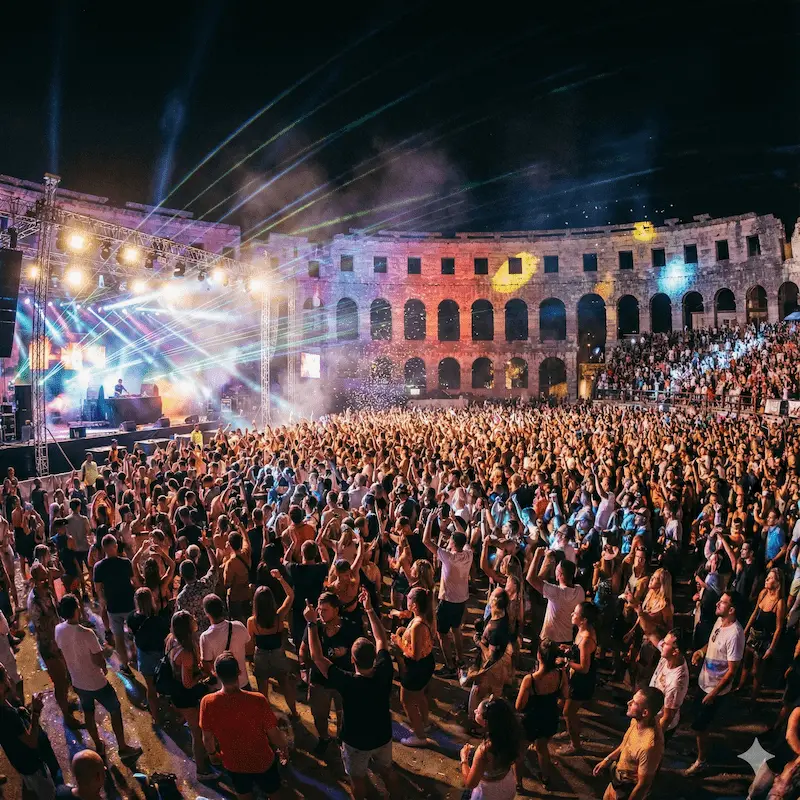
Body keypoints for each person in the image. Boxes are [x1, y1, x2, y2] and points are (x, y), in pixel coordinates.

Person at [304, 588, 395, 800]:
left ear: (352, 660)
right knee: (387, 771)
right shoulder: (384, 669)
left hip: (356, 742)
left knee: (357, 779)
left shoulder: (347, 682)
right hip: (383, 735)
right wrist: (370, 610)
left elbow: (317, 658)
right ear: (375, 657)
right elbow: (381, 639)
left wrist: (310, 624)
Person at [54, 594, 142, 761]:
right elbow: (98, 660)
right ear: (76, 610)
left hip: (78, 681)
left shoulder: (58, 629)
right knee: (114, 709)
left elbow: (61, 653)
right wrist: (105, 657)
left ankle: (98, 744)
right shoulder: (87, 633)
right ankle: (123, 747)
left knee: (88, 711)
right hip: (96, 682)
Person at [199, 651, 287, 800]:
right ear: (239, 672)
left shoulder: (207, 703)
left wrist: (213, 755)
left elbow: (207, 738)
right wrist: (283, 747)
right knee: (274, 793)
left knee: (244, 795)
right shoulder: (258, 700)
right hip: (262, 761)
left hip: (233, 763)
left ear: (216, 674)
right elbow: (273, 732)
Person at [686, 590, 746, 775]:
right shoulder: (719, 622)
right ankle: (700, 748)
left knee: (700, 724)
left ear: (732, 609)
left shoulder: (735, 634)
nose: (717, 604)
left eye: (723, 602)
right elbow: (711, 644)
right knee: (697, 722)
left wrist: (714, 693)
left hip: (715, 690)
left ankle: (702, 761)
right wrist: (700, 652)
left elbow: (732, 670)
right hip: (704, 682)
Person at [299, 590, 360, 756]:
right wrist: (303, 670)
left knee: (344, 713)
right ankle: (324, 738)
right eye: (319, 609)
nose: (320, 613)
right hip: (319, 681)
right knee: (319, 714)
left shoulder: (350, 627)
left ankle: (342, 738)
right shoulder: (314, 626)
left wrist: (347, 653)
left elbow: (361, 651)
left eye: (325, 610)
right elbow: (303, 649)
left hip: (343, 680)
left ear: (336, 610)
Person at [165, 610, 217, 782]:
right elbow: (187, 683)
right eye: (192, 619)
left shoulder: (171, 639)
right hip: (184, 696)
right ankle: (202, 770)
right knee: (197, 732)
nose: (195, 619)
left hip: (177, 691)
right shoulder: (186, 653)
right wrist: (202, 675)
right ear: (188, 627)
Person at [592, 687, 665, 800]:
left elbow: (643, 784)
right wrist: (607, 760)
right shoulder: (637, 720)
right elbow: (626, 744)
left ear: (645, 713)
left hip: (627, 790)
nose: (628, 703)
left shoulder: (649, 747)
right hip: (617, 780)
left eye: (634, 703)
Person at [0, 663, 60, 800]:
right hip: (32, 764)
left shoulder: (5, 704)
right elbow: (32, 742)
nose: (9, 678)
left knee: (30, 786)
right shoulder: (8, 715)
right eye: (5, 675)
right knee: (48, 793)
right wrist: (36, 712)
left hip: (18, 761)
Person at [516, 639, 568, 789]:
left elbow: (519, 706)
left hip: (530, 720)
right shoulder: (561, 674)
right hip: (550, 718)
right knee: (542, 748)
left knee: (520, 751)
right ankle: (545, 778)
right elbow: (564, 697)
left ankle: (518, 784)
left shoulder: (530, 680)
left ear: (539, 655)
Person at [423, 517, 471, 677]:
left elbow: (426, 541)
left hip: (447, 601)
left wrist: (429, 520)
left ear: (453, 543)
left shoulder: (448, 557)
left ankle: (449, 666)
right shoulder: (469, 554)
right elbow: (464, 536)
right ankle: (460, 659)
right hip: (461, 600)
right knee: (456, 629)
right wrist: (455, 521)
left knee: (442, 633)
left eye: (450, 539)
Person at [392, 586, 435, 747]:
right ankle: (424, 723)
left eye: (409, 598)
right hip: (426, 663)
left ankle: (420, 736)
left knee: (406, 701)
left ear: (415, 605)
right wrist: (404, 631)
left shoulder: (418, 625)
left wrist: (398, 641)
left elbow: (414, 654)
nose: (406, 599)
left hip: (417, 668)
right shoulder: (425, 617)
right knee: (420, 695)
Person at [247, 580, 298, 717]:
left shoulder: (252, 621)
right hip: (278, 654)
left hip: (261, 655)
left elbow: (250, 644)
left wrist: (250, 659)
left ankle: (265, 715)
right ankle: (294, 712)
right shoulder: (279, 617)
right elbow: (290, 595)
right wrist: (280, 579)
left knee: (262, 689)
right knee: (285, 685)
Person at [738, 566, 786, 699]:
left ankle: (753, 699)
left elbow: (778, 628)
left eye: (770, 578)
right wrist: (745, 630)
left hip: (764, 640)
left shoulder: (780, 603)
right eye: (767, 577)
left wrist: (771, 648)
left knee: (757, 671)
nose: (766, 580)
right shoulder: (763, 593)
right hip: (753, 634)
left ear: (777, 583)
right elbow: (754, 613)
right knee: (746, 662)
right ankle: (740, 686)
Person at [460, 696, 521, 800]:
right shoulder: (513, 734)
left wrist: (463, 759)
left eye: (478, 712)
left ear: (486, 722)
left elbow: (470, 784)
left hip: (488, 793)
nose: (475, 711)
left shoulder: (484, 750)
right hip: (508, 783)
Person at [559, 601, 599, 755]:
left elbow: (584, 667)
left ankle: (575, 745)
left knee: (568, 712)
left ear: (583, 620)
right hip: (577, 679)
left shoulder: (586, 639)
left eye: (575, 613)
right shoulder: (582, 630)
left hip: (582, 682)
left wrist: (566, 662)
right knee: (568, 710)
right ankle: (572, 730)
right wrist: (570, 649)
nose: (572, 614)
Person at [92, 533, 135, 674]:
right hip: (129, 604)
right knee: (134, 632)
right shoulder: (126, 563)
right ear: (115, 546)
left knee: (119, 638)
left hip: (113, 607)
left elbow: (98, 589)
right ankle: (135, 656)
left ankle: (125, 665)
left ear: (103, 548)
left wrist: (103, 600)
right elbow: (134, 581)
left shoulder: (98, 567)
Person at [126, 587, 169, 724]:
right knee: (164, 682)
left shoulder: (132, 617)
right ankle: (167, 707)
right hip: (160, 655)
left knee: (150, 688)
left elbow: (130, 635)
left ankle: (156, 717)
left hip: (144, 655)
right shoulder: (159, 617)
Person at [526, 551, 585, 646]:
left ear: (559, 575)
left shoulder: (556, 592)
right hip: (567, 639)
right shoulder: (580, 590)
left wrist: (537, 555)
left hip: (550, 641)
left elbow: (530, 578)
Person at [199, 594, 251, 689]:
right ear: (222, 608)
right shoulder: (239, 626)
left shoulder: (206, 637)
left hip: (221, 686)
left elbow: (206, 665)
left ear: (206, 613)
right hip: (242, 682)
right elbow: (248, 648)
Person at [175, 536, 219, 632]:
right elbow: (215, 566)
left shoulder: (182, 598)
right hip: (214, 629)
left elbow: (181, 621)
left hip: (196, 635)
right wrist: (207, 547)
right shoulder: (206, 583)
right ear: (195, 572)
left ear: (182, 575)